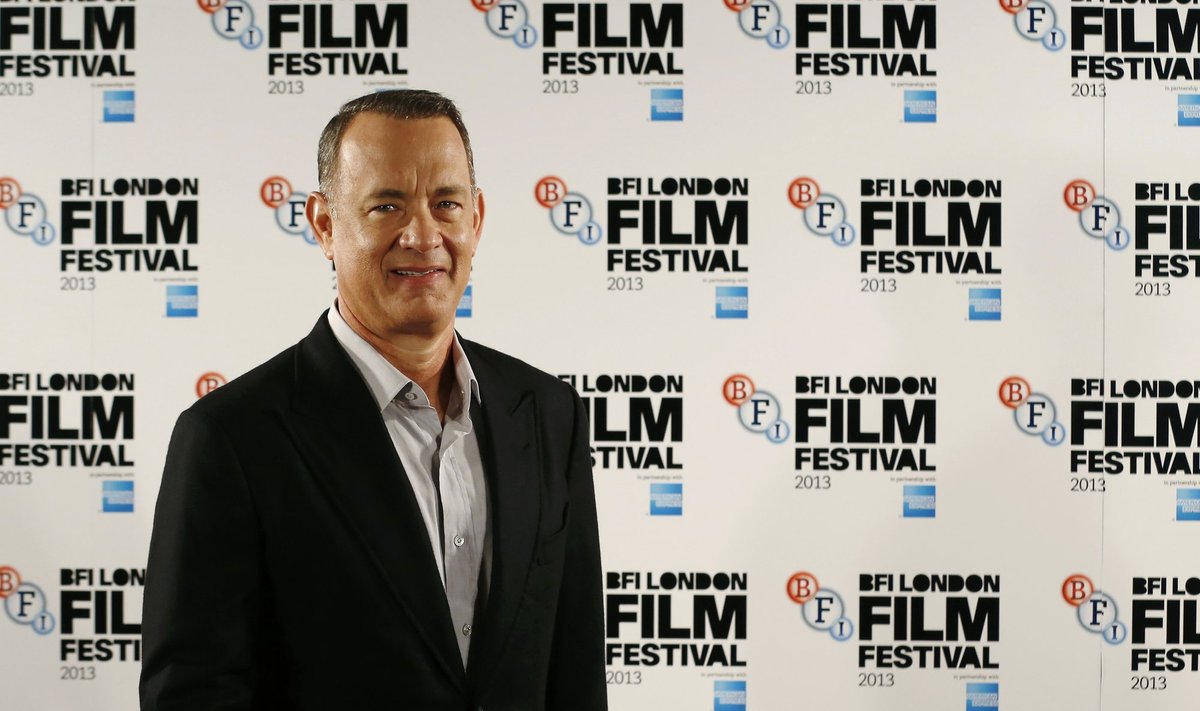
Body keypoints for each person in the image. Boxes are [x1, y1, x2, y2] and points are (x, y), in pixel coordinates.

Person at [140, 90, 607, 711]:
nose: (423, 235)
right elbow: (193, 697)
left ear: (478, 219)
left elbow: (574, 674)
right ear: (325, 225)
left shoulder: (549, 414)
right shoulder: (231, 438)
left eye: (447, 203)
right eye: (387, 205)